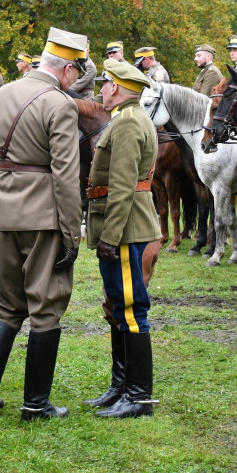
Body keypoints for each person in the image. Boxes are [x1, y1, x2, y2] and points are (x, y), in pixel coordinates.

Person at [0, 26, 84, 421]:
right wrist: (71, 232)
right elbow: (66, 175)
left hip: (5, 214)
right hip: (44, 218)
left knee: (7, 305)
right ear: (67, 69)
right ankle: (35, 404)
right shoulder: (60, 104)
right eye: (76, 72)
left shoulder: (0, 95)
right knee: (46, 306)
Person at [85, 59, 162, 418]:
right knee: (119, 307)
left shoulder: (129, 122)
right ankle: (121, 387)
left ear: (115, 87)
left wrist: (110, 236)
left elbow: (122, 186)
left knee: (131, 309)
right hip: (124, 228)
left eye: (104, 83)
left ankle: (138, 397)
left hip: (127, 230)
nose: (101, 89)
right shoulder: (127, 118)